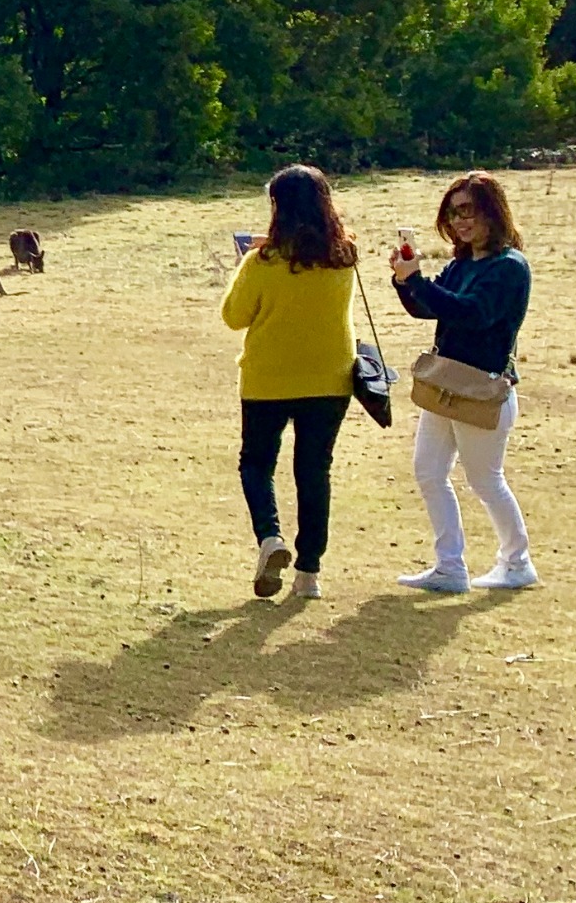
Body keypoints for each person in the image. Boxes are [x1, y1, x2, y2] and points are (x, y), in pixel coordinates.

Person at [389, 173, 536, 592]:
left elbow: (471, 313)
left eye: (468, 210)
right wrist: (405, 281)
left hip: (480, 391)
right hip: (445, 386)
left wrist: (416, 282)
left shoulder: (508, 267)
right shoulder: (461, 263)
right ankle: (450, 566)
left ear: (492, 211)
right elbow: (429, 308)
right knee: (429, 471)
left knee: (485, 480)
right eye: (453, 213)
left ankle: (517, 562)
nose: (459, 221)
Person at [220, 165, 358, 600]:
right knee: (314, 472)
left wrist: (250, 262)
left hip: (268, 379)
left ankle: (270, 537)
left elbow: (233, 317)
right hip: (330, 379)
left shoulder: (261, 262)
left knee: (256, 464)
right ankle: (309, 574)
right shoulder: (344, 256)